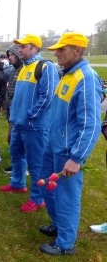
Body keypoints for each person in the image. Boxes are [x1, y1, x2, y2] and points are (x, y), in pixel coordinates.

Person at [38, 32, 101, 256]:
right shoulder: (66, 75)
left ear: (78, 51)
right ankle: (58, 225)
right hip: (52, 145)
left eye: (62, 49)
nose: (56, 53)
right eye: (56, 49)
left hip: (68, 151)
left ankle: (66, 243)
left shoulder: (86, 77)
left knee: (66, 196)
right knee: (46, 186)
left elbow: (91, 124)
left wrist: (76, 158)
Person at [0, 34, 59, 213]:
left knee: (36, 164)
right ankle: (17, 183)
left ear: (35, 48)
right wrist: (14, 116)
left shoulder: (45, 67)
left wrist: (31, 116)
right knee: (16, 155)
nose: (20, 49)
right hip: (18, 123)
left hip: (35, 127)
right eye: (19, 46)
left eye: (23, 46)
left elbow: (47, 97)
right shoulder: (23, 67)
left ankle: (38, 198)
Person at [3, 44, 24, 174]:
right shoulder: (14, 70)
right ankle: (16, 165)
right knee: (11, 139)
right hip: (11, 110)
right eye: (8, 55)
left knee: (15, 139)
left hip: (18, 112)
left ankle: (20, 167)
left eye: (12, 55)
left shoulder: (23, 69)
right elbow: (9, 90)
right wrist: (6, 107)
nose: (10, 58)